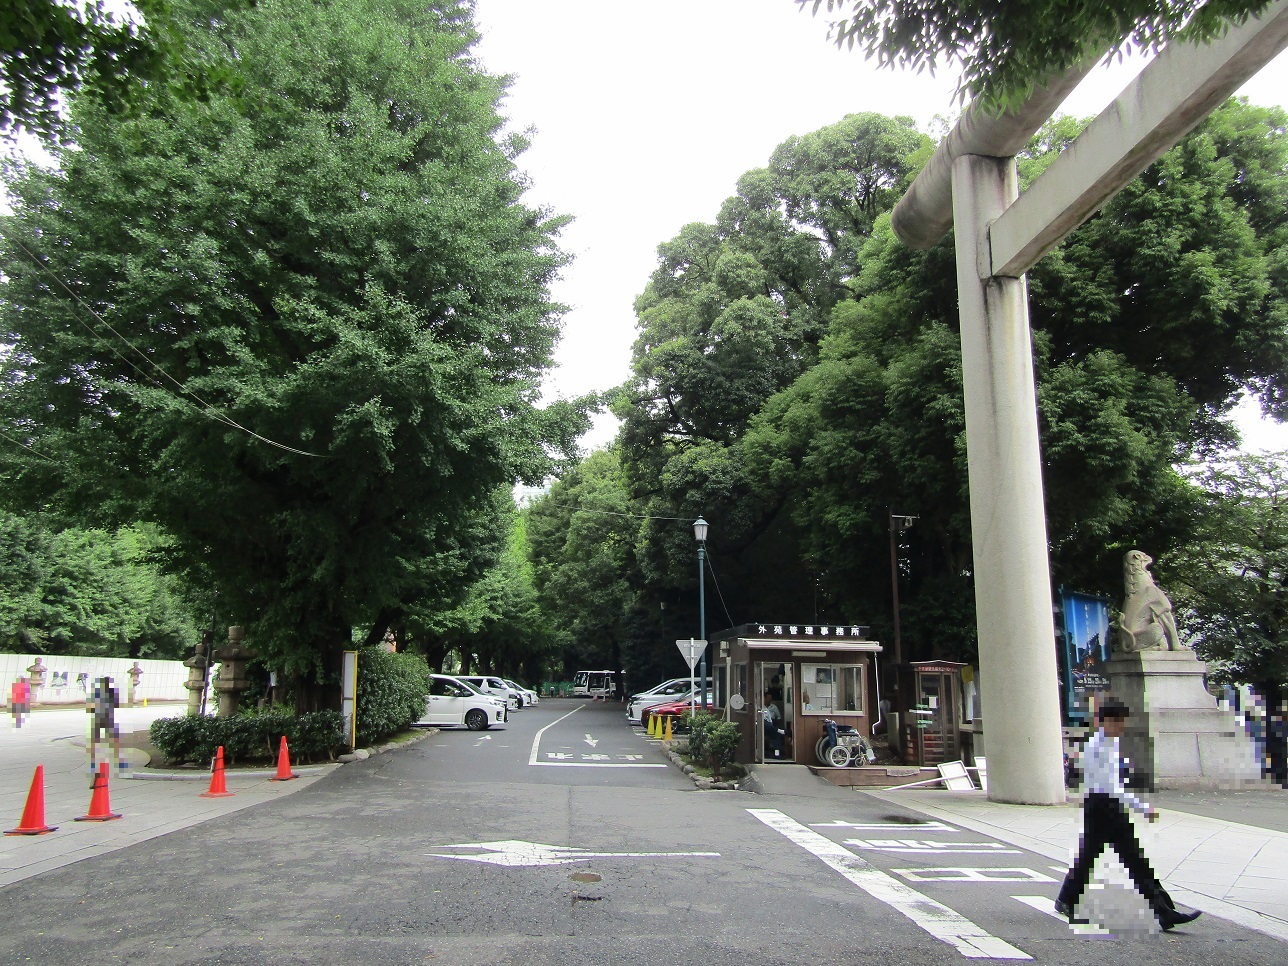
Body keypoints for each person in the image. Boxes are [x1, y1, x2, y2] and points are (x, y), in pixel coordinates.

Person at [1055, 697, 1201, 930]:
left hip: (1102, 806)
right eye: (1118, 721)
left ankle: (1066, 898)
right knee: (1134, 861)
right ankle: (1163, 912)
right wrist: (1143, 808)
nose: (1122, 726)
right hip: (1105, 806)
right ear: (1105, 721)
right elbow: (1112, 786)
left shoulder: (1106, 744)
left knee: (1094, 857)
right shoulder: (1100, 747)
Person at [87, 676, 124, 778]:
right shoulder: (112, 692)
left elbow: (91, 706)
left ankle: (93, 764)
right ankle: (119, 762)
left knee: (97, 740)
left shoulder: (98, 692)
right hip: (108, 717)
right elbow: (117, 704)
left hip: (100, 717)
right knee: (114, 740)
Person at [762, 690, 784, 758]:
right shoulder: (760, 707)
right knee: (764, 722)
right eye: (768, 698)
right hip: (761, 726)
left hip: (771, 726)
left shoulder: (773, 707)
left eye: (770, 699)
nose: (769, 700)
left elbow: (777, 718)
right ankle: (778, 730)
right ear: (764, 698)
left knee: (777, 734)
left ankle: (776, 754)